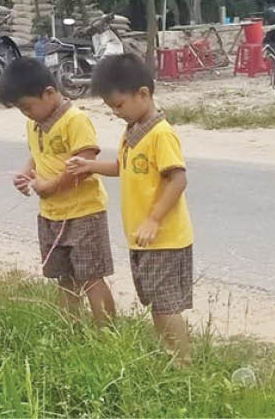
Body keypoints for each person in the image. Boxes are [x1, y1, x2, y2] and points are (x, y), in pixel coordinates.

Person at [67, 54, 193, 365]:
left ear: (143, 94)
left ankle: (183, 364)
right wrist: (90, 165)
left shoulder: (161, 133)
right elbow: (123, 166)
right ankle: (167, 356)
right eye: (111, 107)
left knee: (165, 305)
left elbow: (177, 179)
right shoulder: (133, 130)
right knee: (154, 302)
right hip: (142, 238)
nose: (116, 112)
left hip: (164, 237)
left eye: (119, 105)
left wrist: (153, 219)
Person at [0, 58, 116, 326]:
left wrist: (50, 186)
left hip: (84, 213)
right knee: (64, 277)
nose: (26, 114)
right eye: (20, 109)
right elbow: (37, 154)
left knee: (91, 277)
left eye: (28, 107)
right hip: (51, 214)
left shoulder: (76, 121)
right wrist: (27, 173)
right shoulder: (34, 123)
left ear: (49, 93)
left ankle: (107, 335)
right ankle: (69, 329)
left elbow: (84, 163)